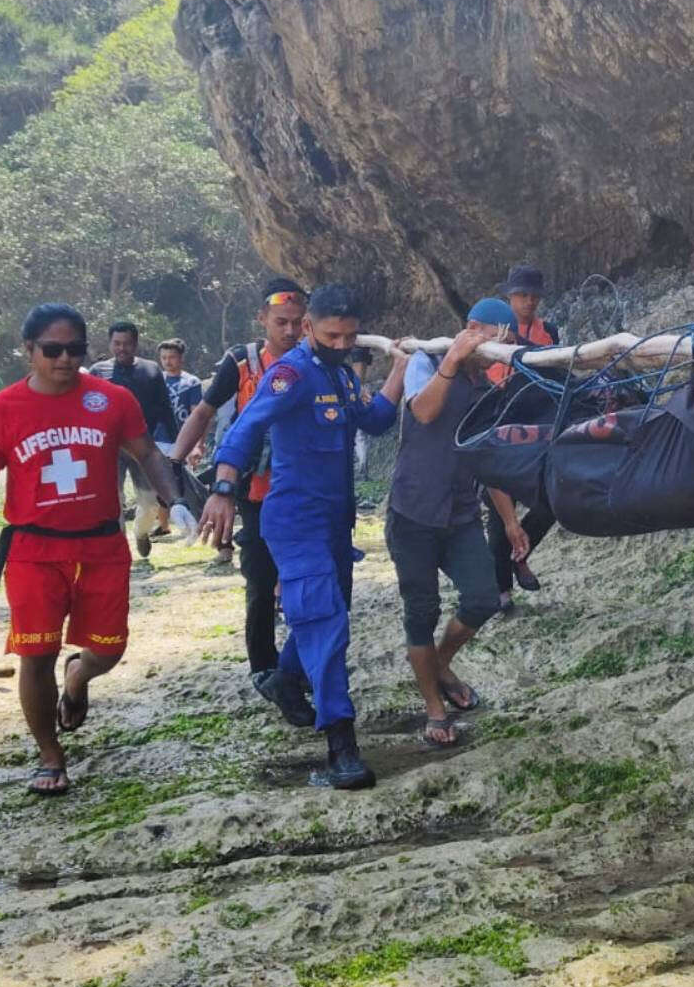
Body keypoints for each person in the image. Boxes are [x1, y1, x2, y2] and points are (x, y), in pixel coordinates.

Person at [0, 303, 194, 796]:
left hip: (102, 544)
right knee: (36, 653)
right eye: (52, 350)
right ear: (28, 351)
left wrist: (175, 501)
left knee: (109, 650)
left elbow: (146, 451)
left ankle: (79, 677)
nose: (64, 359)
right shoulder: (0, 411)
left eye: (74, 349)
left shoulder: (111, 400)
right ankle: (49, 753)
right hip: (33, 550)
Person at [197, 284, 405, 789]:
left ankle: (285, 678)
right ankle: (340, 741)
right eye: (332, 334)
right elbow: (246, 427)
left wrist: (399, 368)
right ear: (309, 328)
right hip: (294, 522)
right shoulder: (290, 374)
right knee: (328, 623)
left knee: (323, 614)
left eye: (350, 336)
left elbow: (376, 419)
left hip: (336, 522)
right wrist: (223, 489)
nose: (341, 343)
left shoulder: (340, 373)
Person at [169, 279, 309, 716]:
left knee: (310, 584)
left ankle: (299, 669)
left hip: (305, 492)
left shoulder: (316, 360)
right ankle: (265, 672)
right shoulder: (243, 362)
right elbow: (204, 411)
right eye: (280, 322)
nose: (289, 331)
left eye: (296, 323)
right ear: (262, 319)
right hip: (255, 491)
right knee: (261, 583)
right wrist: (172, 467)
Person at [390, 297, 511, 749]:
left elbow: (489, 460)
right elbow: (422, 411)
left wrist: (511, 523)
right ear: (474, 329)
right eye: (500, 339)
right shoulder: (427, 360)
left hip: (460, 515)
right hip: (413, 512)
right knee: (420, 612)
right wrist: (454, 361)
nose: (504, 350)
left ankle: (439, 664)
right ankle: (434, 707)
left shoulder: (487, 390)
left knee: (483, 598)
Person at [483, 265, 561, 611]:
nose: (528, 301)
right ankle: (501, 591)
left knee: (549, 503)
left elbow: (556, 367)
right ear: (509, 297)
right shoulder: (488, 328)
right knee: (499, 512)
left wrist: (520, 343)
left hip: (537, 425)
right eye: (521, 295)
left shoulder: (551, 332)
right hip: (496, 420)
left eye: (533, 296)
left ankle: (521, 556)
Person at [89, 323, 177, 559]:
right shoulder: (97, 372)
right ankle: (119, 551)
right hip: (108, 449)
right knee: (112, 501)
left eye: (127, 343)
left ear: (135, 344)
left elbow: (166, 410)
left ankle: (140, 533)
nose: (122, 348)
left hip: (143, 448)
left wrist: (177, 444)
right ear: (110, 344)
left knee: (150, 501)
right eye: (117, 343)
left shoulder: (150, 370)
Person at [152, 339, 206, 538]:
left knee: (185, 486)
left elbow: (197, 415)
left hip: (181, 441)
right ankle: (164, 525)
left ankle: (202, 523)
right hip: (158, 440)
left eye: (172, 357)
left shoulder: (191, 382)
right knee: (161, 485)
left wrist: (197, 444)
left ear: (181, 358)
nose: (167, 361)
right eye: (164, 357)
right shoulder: (155, 380)